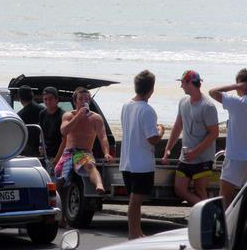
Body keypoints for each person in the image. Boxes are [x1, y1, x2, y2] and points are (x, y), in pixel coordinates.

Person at [162, 70, 219, 206]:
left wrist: (195, 152)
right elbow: (178, 126)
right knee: (179, 189)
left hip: (202, 158)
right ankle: (206, 213)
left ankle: (207, 217)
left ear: (190, 83)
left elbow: (214, 133)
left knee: (200, 189)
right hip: (186, 157)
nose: (181, 86)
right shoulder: (183, 102)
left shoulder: (208, 106)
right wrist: (168, 149)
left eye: (182, 83)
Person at [119, 70, 165, 240]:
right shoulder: (147, 110)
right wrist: (161, 130)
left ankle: (136, 231)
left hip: (127, 161)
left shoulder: (126, 105)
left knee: (135, 200)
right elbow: (152, 139)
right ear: (151, 89)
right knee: (136, 200)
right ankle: (133, 233)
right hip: (141, 162)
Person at [55, 87, 114, 195]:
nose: (84, 102)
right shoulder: (68, 115)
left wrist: (106, 153)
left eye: (86, 99)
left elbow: (103, 137)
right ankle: (53, 200)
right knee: (60, 179)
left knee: (90, 165)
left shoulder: (96, 118)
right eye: (81, 99)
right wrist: (78, 116)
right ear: (75, 101)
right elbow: (64, 131)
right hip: (68, 152)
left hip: (83, 152)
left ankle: (99, 185)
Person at [208, 68, 247, 208]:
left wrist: (236, 86)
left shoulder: (237, 103)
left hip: (235, 158)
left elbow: (212, 92)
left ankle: (226, 229)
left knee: (225, 198)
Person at [39, 86, 66, 163]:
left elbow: (65, 140)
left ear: (57, 99)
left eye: (50, 99)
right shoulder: (42, 114)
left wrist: (56, 160)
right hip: (46, 154)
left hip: (58, 154)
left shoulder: (63, 115)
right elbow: (41, 133)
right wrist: (40, 146)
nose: (47, 101)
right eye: (45, 99)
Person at [17, 85, 45, 156]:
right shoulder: (43, 110)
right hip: (45, 148)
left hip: (28, 150)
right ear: (32, 95)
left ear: (19, 98)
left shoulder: (19, 116)